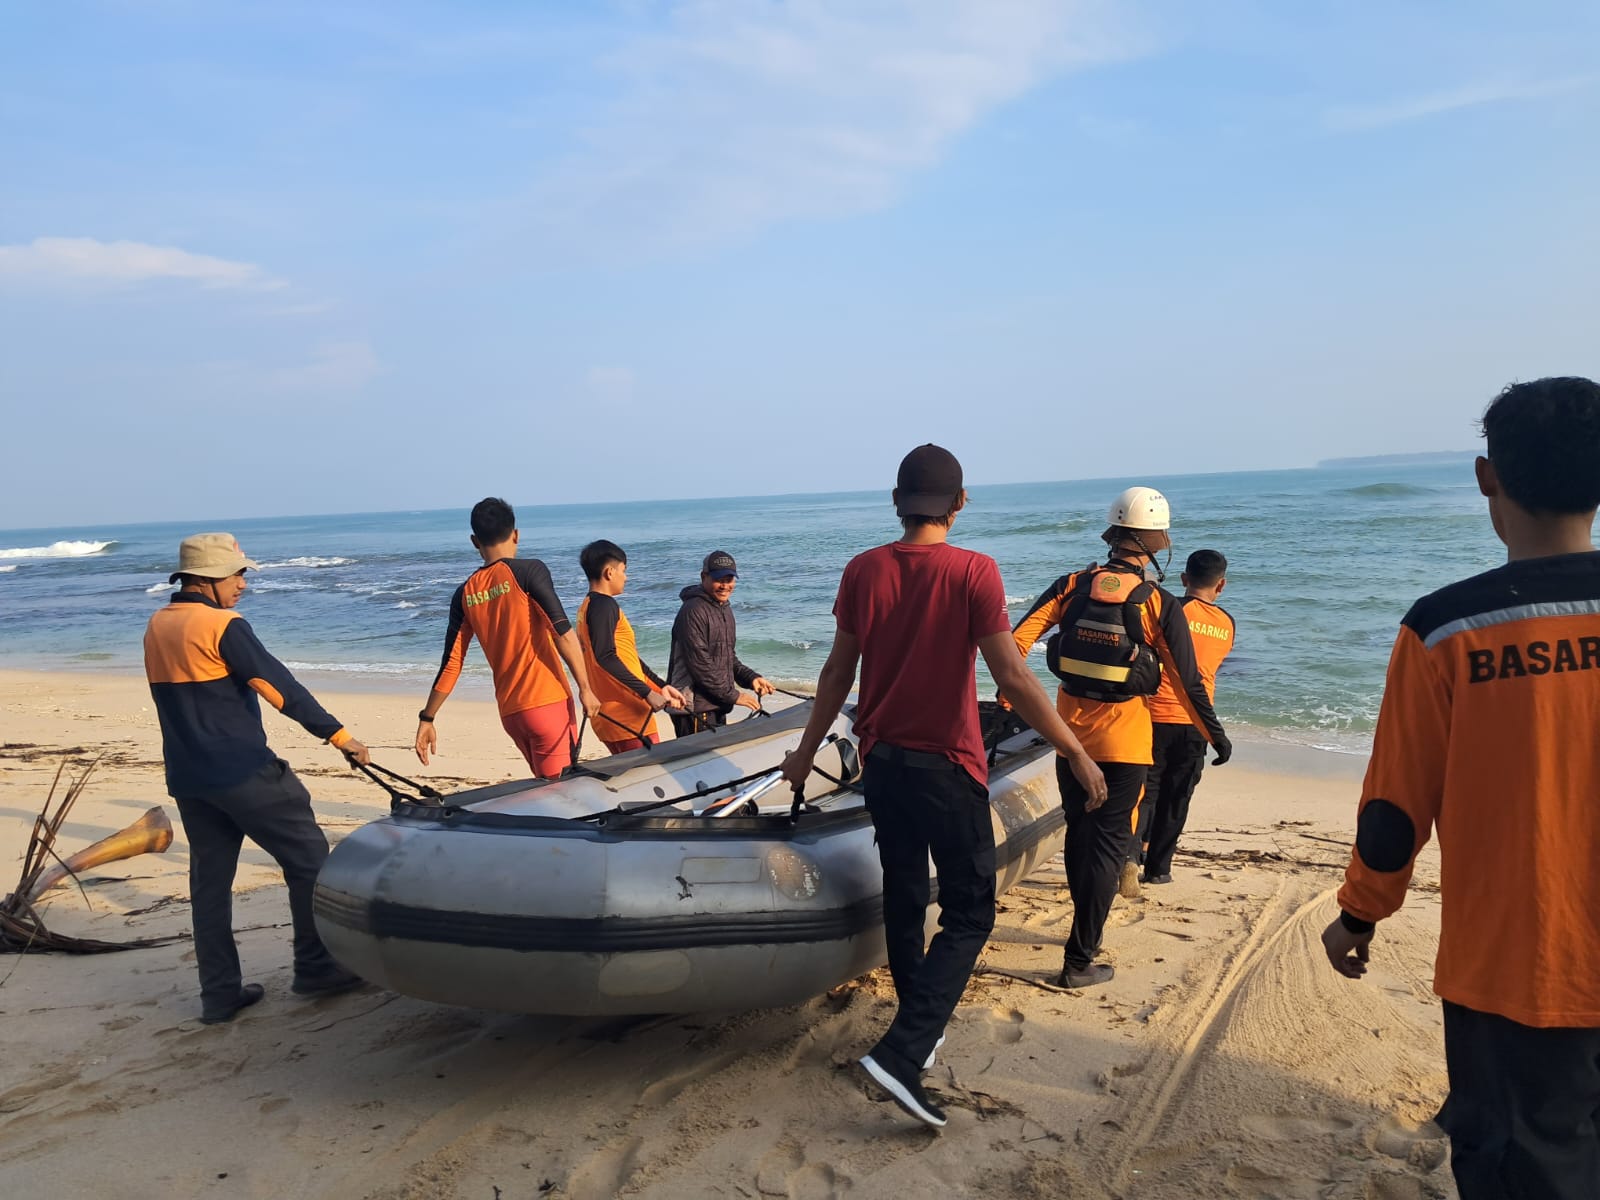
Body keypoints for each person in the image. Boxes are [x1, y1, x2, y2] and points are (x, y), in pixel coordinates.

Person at [1320, 377, 1600, 1199]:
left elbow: (1396, 806)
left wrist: (1360, 913)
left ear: (1488, 478)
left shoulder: (1444, 628)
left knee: (1523, 1163)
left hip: (1521, 968)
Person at [781, 444, 1107, 1129]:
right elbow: (1012, 679)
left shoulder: (863, 570)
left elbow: (838, 675)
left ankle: (914, 1033)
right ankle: (904, 1052)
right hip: (947, 768)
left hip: (884, 765)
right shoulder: (973, 571)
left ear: (898, 502)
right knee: (969, 912)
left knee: (905, 894)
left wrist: (804, 753)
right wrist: (1074, 749)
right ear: (959, 504)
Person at [143, 533, 370, 1024]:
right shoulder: (222, 624)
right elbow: (277, 686)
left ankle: (219, 995)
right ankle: (315, 968)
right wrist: (339, 736)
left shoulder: (158, 624)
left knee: (209, 886)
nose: (243, 583)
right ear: (207, 580)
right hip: (244, 772)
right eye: (237, 574)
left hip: (190, 779)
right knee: (310, 860)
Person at [1010, 487, 1230, 988]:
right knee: (1110, 847)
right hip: (1126, 746)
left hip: (1070, 741)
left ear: (1114, 534)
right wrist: (1214, 736)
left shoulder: (1071, 585)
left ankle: (1081, 939)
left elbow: (1016, 643)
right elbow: (1185, 681)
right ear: (1155, 543)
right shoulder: (1158, 602)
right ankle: (1080, 960)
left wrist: (1010, 702)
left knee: (1081, 836)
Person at [415, 498, 600, 777]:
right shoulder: (529, 571)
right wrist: (585, 688)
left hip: (512, 714)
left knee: (546, 788)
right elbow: (561, 631)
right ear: (516, 534)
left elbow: (451, 663)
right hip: (546, 705)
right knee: (561, 793)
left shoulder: (465, 593)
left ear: (475, 541)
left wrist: (427, 717)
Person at [1135, 549, 1235, 884]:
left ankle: (1132, 857)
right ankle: (1159, 869)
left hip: (1155, 715)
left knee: (1146, 792)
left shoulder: (1170, 608)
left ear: (1183, 579)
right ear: (1220, 586)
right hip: (1196, 722)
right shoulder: (1227, 624)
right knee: (1177, 798)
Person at [576, 539, 688, 753]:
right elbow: (605, 656)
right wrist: (647, 693)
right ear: (609, 572)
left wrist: (660, 686)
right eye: (623, 571)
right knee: (651, 778)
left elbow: (628, 657)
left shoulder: (587, 606)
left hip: (613, 717)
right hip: (628, 718)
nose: (626, 577)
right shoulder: (604, 605)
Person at [666, 550, 773, 737]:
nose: (725, 586)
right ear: (704, 576)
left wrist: (751, 678)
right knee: (700, 764)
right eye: (719, 579)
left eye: (729, 579)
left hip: (715, 704)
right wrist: (734, 696)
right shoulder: (693, 611)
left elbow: (728, 657)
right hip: (693, 708)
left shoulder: (724, 610)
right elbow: (700, 665)